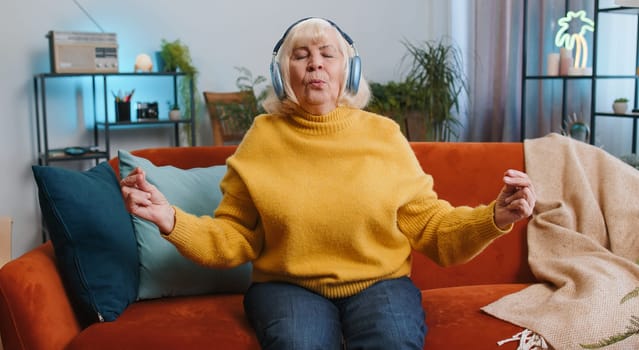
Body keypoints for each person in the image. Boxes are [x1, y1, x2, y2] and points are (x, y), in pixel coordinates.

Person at [120, 17, 536, 350]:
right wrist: (170, 218)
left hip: (380, 284)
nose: (315, 63)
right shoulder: (262, 138)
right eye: (301, 55)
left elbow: (433, 229)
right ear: (284, 75)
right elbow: (235, 238)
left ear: (348, 70)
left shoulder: (384, 136)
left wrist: (493, 217)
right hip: (287, 287)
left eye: (327, 54)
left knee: (393, 341)